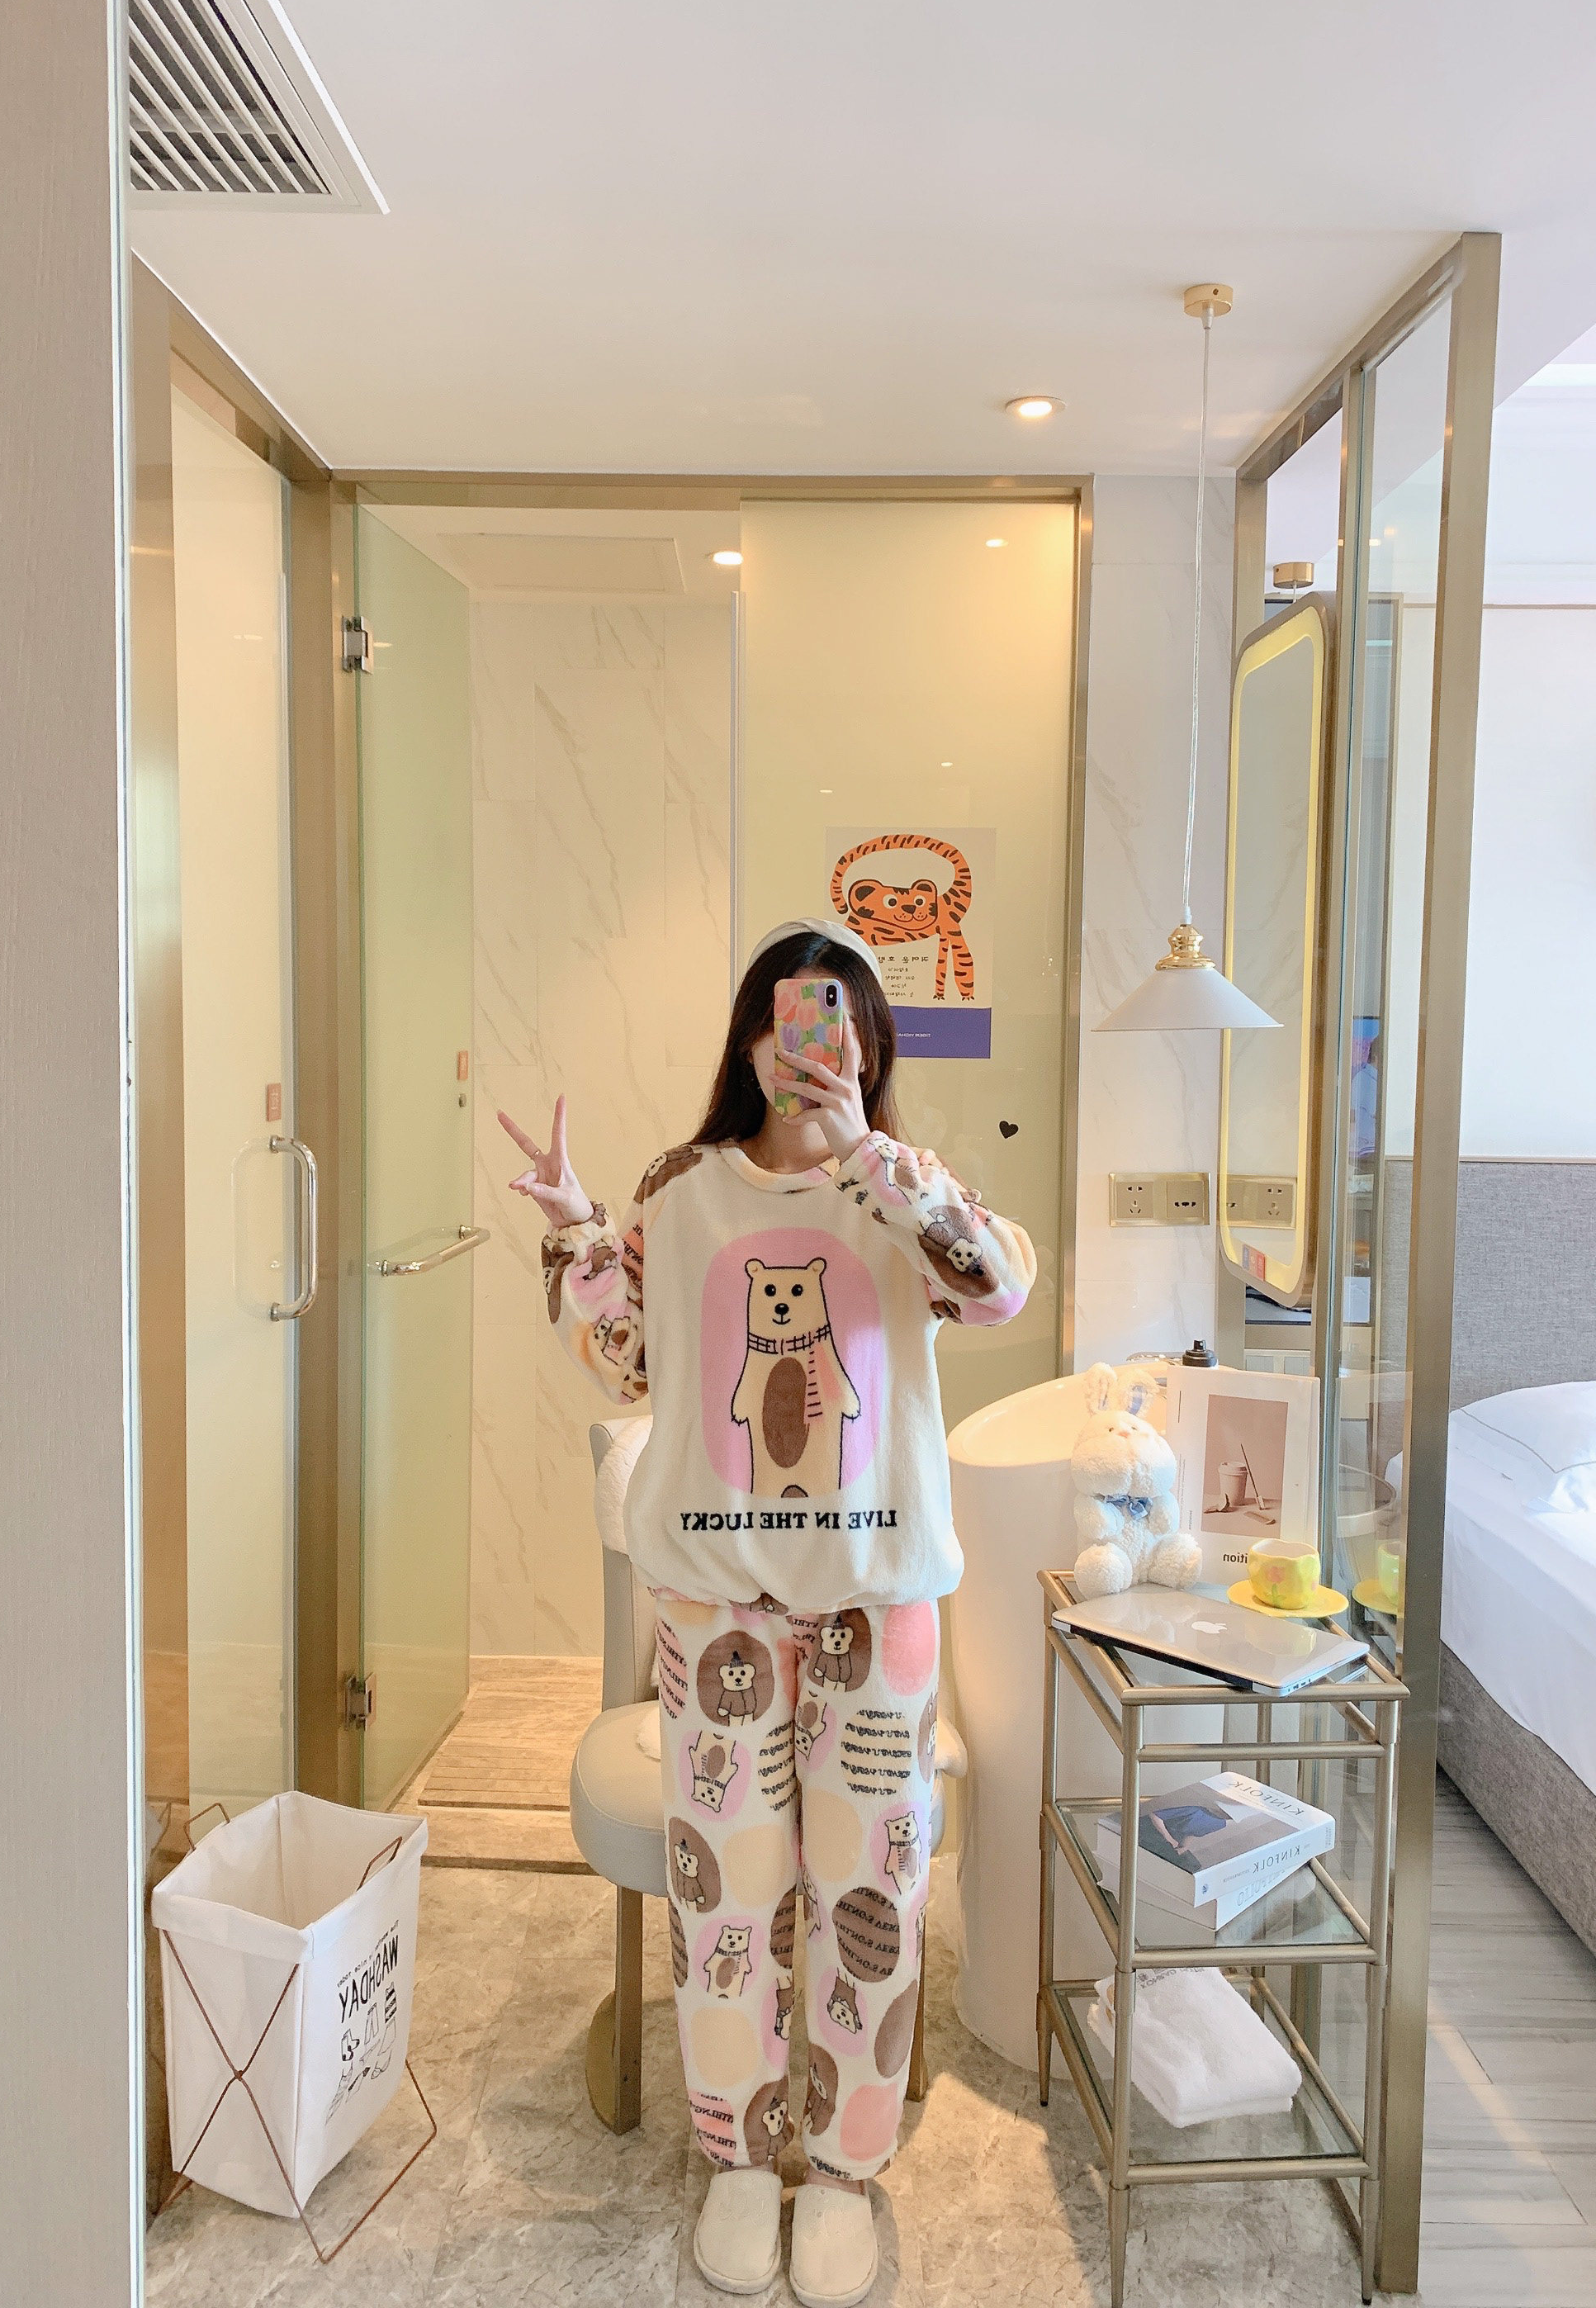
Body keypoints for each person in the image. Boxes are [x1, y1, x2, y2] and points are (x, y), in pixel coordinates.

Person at [500, 916, 1035, 2307]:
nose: (812, 1045)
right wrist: (576, 1232)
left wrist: (877, 1162)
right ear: (750, 1041)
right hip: (717, 1614)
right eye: (790, 1017)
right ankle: (741, 2155)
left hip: (874, 1611)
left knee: (869, 1894)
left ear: (869, 1047)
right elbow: (628, 1357)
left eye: (838, 1020)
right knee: (727, 1895)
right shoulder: (683, 1192)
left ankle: (847, 2170)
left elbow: (998, 1288)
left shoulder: (904, 1191)